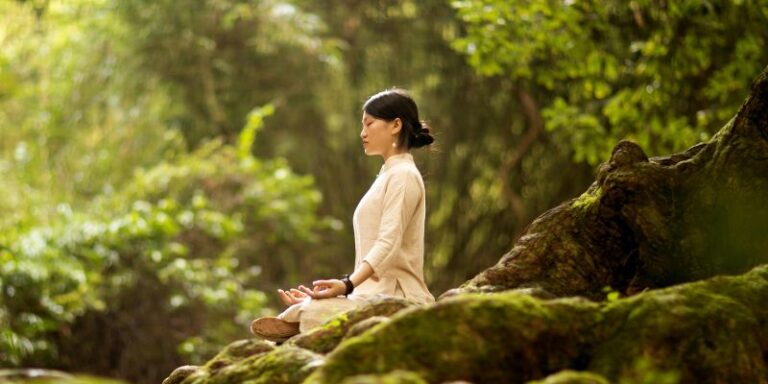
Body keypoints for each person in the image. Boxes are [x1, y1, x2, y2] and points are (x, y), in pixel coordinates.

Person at [250, 88, 436, 342]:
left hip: (398, 298)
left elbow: (388, 243)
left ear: (395, 125)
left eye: (369, 123)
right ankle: (307, 315)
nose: (363, 132)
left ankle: (305, 320)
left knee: (309, 311)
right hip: (370, 295)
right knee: (307, 306)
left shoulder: (403, 175)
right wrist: (344, 291)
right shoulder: (388, 175)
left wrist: (347, 284)